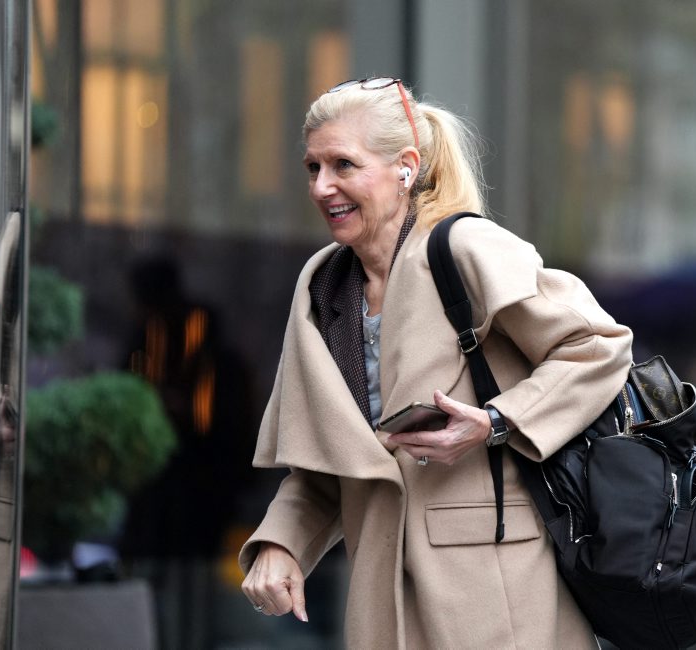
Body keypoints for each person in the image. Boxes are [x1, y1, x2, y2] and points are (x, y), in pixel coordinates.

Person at [240, 76, 633, 648]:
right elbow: (335, 462)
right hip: (381, 598)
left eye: (343, 164)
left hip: (496, 595)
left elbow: (597, 345)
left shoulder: (464, 247)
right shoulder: (323, 288)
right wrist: (281, 542)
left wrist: (496, 421)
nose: (322, 187)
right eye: (312, 167)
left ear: (405, 167)